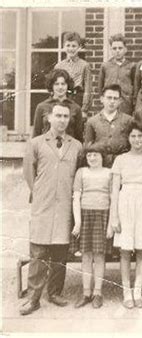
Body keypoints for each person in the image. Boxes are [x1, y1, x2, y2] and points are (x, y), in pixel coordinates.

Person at [21, 102, 83, 316]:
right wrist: (39, 192)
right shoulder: (36, 143)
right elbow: (29, 174)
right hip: (43, 203)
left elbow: (78, 175)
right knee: (38, 252)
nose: (62, 120)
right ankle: (33, 298)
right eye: (58, 115)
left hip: (65, 203)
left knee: (59, 251)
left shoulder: (76, 145)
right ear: (48, 118)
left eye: (66, 116)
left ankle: (55, 292)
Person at [108, 122, 142, 309]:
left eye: (140, 136)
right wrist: (114, 217)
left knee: (141, 250)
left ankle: (138, 291)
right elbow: (114, 191)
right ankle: (126, 292)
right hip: (125, 203)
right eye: (133, 136)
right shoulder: (121, 159)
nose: (137, 140)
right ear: (128, 138)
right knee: (124, 250)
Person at [71, 146, 112, 309]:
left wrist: (110, 225)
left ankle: (98, 293)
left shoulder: (109, 173)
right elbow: (76, 198)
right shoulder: (81, 172)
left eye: (96, 154)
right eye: (89, 155)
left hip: (103, 216)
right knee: (86, 256)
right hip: (85, 216)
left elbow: (113, 198)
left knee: (99, 256)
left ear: (102, 156)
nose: (93, 158)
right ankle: (86, 293)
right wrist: (78, 222)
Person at [84, 84, 133, 167]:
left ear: (120, 101)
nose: (112, 101)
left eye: (115, 98)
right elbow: (88, 147)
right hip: (100, 165)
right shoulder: (92, 121)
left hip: (122, 164)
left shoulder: (128, 120)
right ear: (102, 99)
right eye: (109, 98)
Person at [33, 69, 83, 142]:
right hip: (47, 149)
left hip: (68, 149)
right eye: (56, 84)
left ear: (68, 85)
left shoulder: (76, 108)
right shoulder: (41, 107)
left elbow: (79, 136)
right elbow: (36, 134)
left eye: (63, 84)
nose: (60, 87)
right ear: (51, 86)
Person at [54, 31, 92, 119]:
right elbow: (55, 87)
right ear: (63, 47)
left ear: (79, 47)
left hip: (77, 99)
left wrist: (84, 109)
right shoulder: (59, 66)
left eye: (74, 46)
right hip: (62, 99)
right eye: (68, 45)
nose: (71, 49)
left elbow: (88, 89)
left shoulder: (85, 65)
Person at [98, 34, 136, 115]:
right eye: (114, 48)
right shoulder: (105, 66)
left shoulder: (131, 66)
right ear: (111, 50)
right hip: (110, 103)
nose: (117, 51)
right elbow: (100, 86)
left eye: (120, 48)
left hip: (126, 104)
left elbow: (135, 86)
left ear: (125, 49)